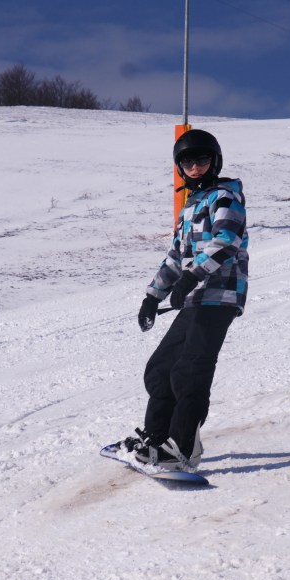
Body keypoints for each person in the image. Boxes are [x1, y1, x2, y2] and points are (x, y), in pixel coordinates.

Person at [114, 129, 248, 473]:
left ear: (214, 162)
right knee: (161, 369)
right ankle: (156, 439)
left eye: (201, 160)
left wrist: (191, 276)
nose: (195, 167)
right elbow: (175, 257)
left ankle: (182, 449)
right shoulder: (190, 207)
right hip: (195, 299)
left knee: (190, 371)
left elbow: (227, 241)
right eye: (188, 163)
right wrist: (152, 296)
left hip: (219, 296)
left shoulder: (225, 198)